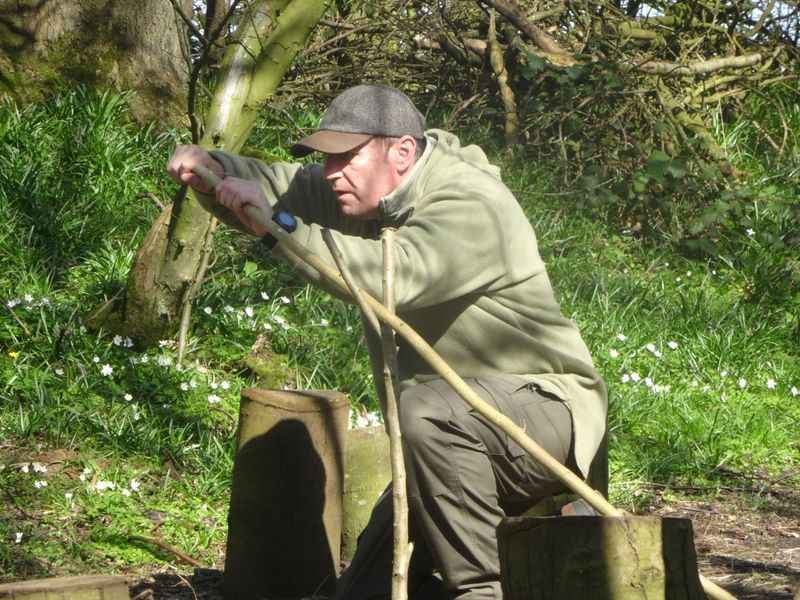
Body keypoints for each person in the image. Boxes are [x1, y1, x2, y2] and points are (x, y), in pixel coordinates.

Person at [167, 84, 607, 599]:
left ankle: (485, 591)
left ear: (402, 151)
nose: (332, 173)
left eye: (346, 158)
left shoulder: (473, 201)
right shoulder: (369, 193)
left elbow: (387, 278)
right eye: (327, 160)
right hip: (446, 444)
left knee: (427, 413)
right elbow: (281, 186)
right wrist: (211, 168)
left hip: (548, 418)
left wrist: (278, 228)